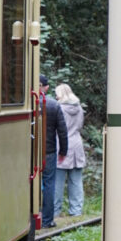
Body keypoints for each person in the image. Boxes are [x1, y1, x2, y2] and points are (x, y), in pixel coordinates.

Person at [53, 83, 86, 217]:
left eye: (56, 94)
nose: (55, 97)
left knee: (57, 181)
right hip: (77, 145)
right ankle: (76, 210)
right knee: (76, 180)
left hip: (61, 144)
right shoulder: (79, 108)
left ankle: (55, 210)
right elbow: (80, 126)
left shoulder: (58, 108)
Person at [39, 74, 67, 228]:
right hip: (48, 151)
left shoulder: (27, 104)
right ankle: (47, 220)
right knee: (49, 183)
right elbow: (62, 131)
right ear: (47, 87)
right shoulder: (53, 105)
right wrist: (63, 151)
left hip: (29, 151)